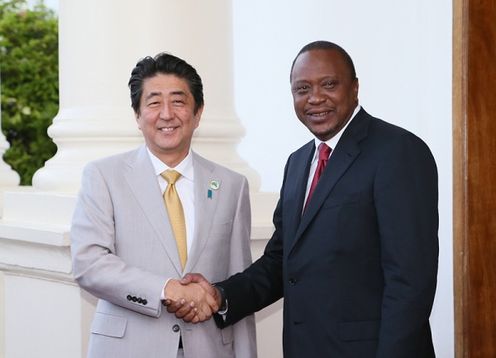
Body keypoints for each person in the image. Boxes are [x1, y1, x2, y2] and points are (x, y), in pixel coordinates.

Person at [174, 41, 439, 357]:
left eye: (329, 84)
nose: (315, 98)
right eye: (302, 89)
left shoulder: (398, 152)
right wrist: (220, 295)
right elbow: (281, 261)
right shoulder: (298, 164)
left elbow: (410, 282)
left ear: (355, 88)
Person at [70, 52, 256, 358]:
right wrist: (166, 288)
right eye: (154, 102)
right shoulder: (103, 176)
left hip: (209, 349)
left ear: (197, 113)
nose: (167, 114)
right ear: (138, 115)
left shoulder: (232, 186)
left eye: (179, 101)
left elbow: (241, 284)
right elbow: (88, 262)